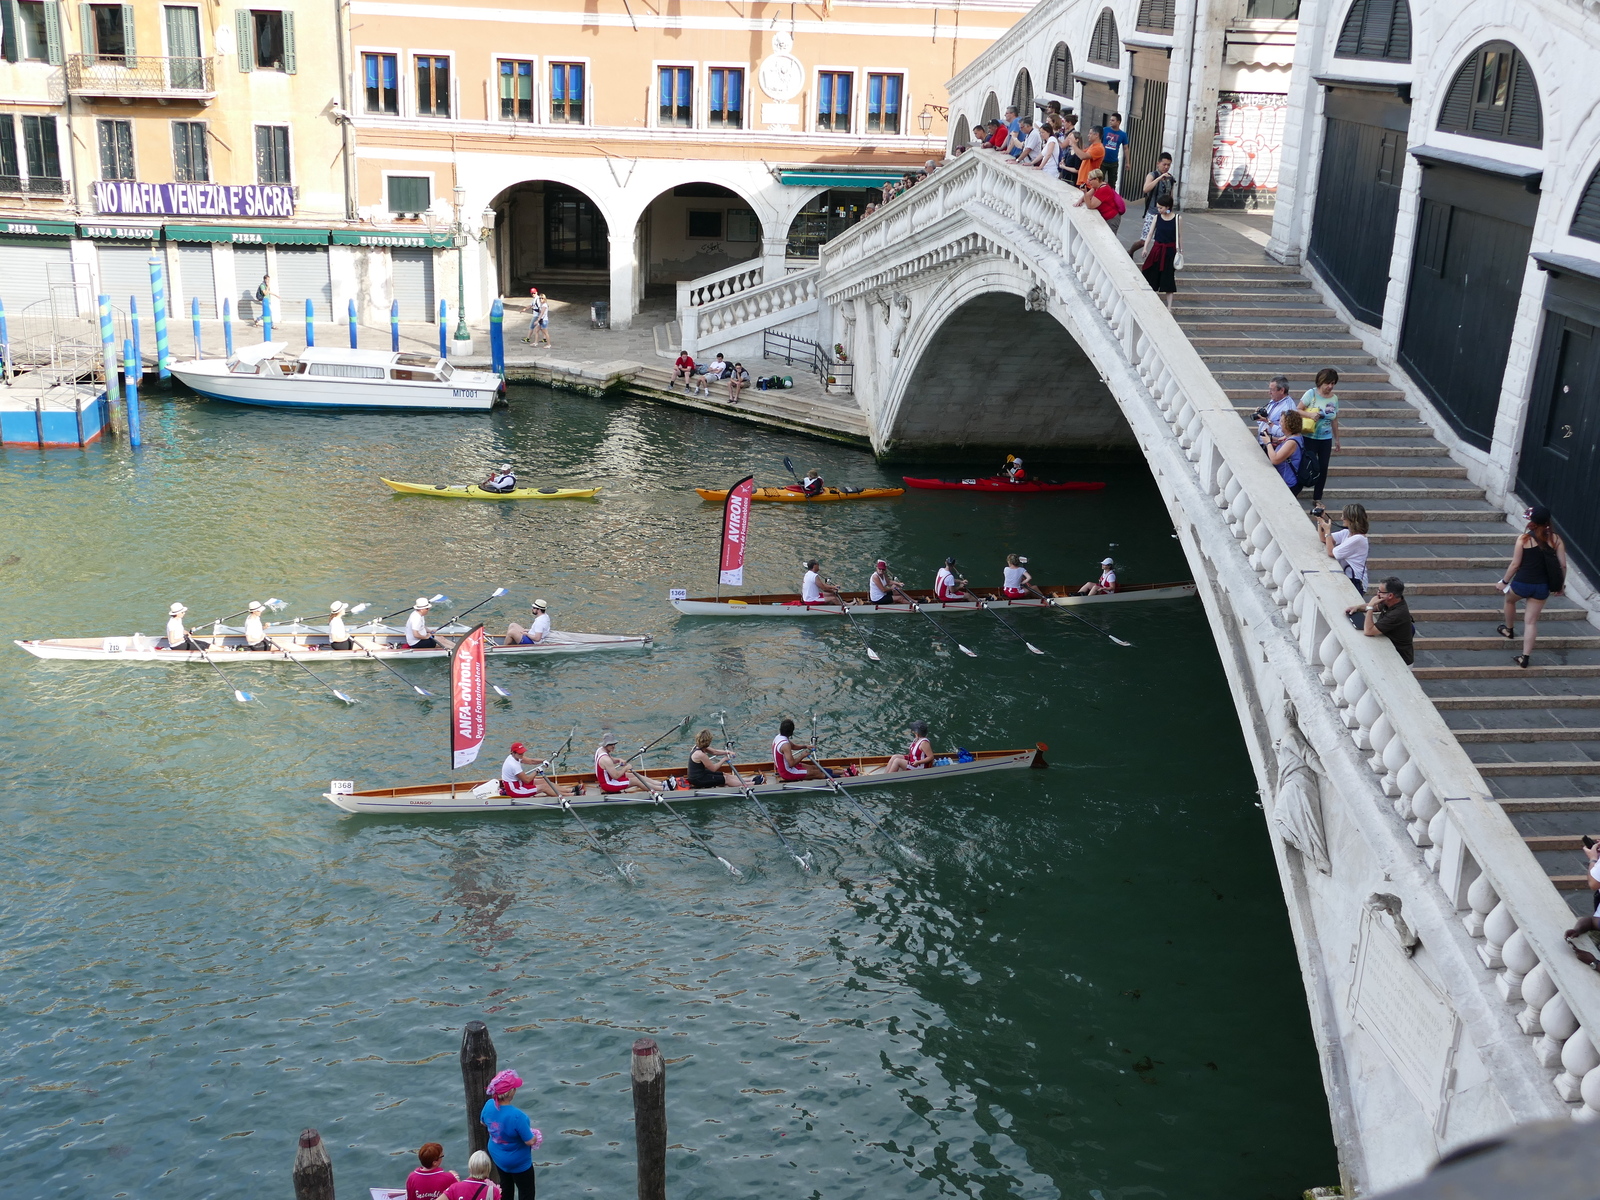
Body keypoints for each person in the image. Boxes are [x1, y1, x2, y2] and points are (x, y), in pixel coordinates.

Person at [1498, 505, 1568, 669]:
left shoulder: (1523, 539)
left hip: (1522, 583)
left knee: (1509, 601)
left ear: (1532, 522)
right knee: (1531, 622)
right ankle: (1525, 657)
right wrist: (1560, 586)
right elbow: (1563, 566)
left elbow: (1515, 564)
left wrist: (1504, 582)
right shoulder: (1556, 539)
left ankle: (1509, 629)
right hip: (1542, 587)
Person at [481, 1069, 541, 1200]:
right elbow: (529, 1141)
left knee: (505, 1188)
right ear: (511, 1092)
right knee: (526, 1192)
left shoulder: (489, 1105)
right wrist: (536, 1136)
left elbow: (483, 1122)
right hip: (518, 1162)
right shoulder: (517, 1116)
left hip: (497, 1156)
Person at [1294, 368, 1341, 505]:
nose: (1330, 387)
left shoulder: (1334, 398)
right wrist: (1309, 415)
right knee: (1307, 464)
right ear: (1321, 382)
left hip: (1325, 439)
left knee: (1323, 467)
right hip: (1310, 436)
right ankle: (1296, 490)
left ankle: (1317, 497)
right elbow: (1297, 409)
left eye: (1333, 383)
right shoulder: (1311, 394)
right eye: (1328, 383)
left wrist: (1337, 439)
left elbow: (1335, 419)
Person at [1346, 577, 1414, 666]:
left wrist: (1370, 606)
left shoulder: (1397, 614)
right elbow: (1377, 607)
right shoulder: (1391, 602)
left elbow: (1369, 631)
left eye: (1380, 591)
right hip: (1389, 652)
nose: (1377, 594)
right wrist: (1358, 607)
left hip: (1400, 660)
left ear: (1390, 596)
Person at [1128, 153, 1176, 259]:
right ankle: (1130, 251)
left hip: (1165, 213)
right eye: (1164, 164)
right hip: (1152, 212)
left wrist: (1170, 211)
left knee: (1161, 239)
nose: (1166, 167)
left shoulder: (1170, 178)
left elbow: (1170, 195)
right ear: (1158, 163)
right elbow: (1146, 189)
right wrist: (1159, 179)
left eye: (1169, 165)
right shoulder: (1152, 175)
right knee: (1144, 240)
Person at [1317, 504, 1370, 594]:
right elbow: (1324, 539)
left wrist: (1327, 531)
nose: (1341, 518)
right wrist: (1320, 521)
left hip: (1355, 580)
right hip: (1348, 576)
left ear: (1352, 519)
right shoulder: (1347, 533)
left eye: (1344, 517)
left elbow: (1331, 552)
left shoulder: (1358, 539)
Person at [501, 740, 581, 798]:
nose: (522, 755)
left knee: (544, 781)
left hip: (520, 783)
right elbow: (527, 780)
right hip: (515, 790)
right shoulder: (513, 765)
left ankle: (569, 790)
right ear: (513, 753)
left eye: (523, 752)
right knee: (544, 787)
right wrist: (537, 771)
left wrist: (543, 761)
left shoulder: (515, 757)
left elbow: (531, 761)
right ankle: (571, 795)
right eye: (520, 753)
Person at [1140, 197, 1180, 309]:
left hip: (1169, 251)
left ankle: (1169, 307)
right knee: (1150, 272)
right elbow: (1150, 233)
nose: (1159, 209)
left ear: (1168, 207)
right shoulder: (1157, 217)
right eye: (1158, 207)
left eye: (1161, 207)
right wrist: (1145, 248)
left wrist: (1180, 251)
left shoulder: (1177, 218)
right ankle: (1151, 301)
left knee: (1168, 277)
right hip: (1157, 249)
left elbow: (1179, 236)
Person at [594, 733, 664, 794]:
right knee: (636, 781)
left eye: (614, 744)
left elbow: (611, 759)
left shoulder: (600, 750)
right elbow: (615, 776)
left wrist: (619, 760)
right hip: (608, 784)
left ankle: (661, 784)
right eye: (611, 744)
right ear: (606, 744)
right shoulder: (606, 759)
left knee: (633, 775)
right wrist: (626, 768)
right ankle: (663, 789)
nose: (613, 746)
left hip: (609, 779)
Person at [1264, 410, 1307, 494]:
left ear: (1289, 424)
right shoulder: (1295, 435)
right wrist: (1269, 437)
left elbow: (1275, 459)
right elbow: (1280, 440)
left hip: (1288, 483)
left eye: (1282, 421)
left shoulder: (1292, 442)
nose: (1279, 423)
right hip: (1289, 480)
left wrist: (1268, 443)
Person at [1074, 168, 1126, 233]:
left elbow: (1090, 205)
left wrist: (1085, 192)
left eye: (1090, 180)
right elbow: (1088, 195)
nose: (1088, 182)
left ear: (1096, 179)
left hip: (1111, 218)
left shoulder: (1103, 190)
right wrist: (1080, 200)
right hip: (1106, 217)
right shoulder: (1098, 186)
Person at [1256, 375, 1296, 440]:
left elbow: (1284, 433)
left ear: (1282, 390)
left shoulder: (1288, 408)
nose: (1269, 392)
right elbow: (1264, 422)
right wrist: (1260, 418)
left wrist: (1267, 421)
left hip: (1275, 446)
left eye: (1272, 390)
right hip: (1264, 442)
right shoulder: (1273, 401)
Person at [1102, 112, 1128, 189]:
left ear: (1118, 122)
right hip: (1102, 160)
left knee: (1112, 183)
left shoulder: (1123, 134)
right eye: (1110, 120)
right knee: (1100, 180)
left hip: (1113, 162)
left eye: (1113, 120)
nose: (1110, 122)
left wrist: (1128, 162)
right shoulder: (1105, 130)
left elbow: (1126, 148)